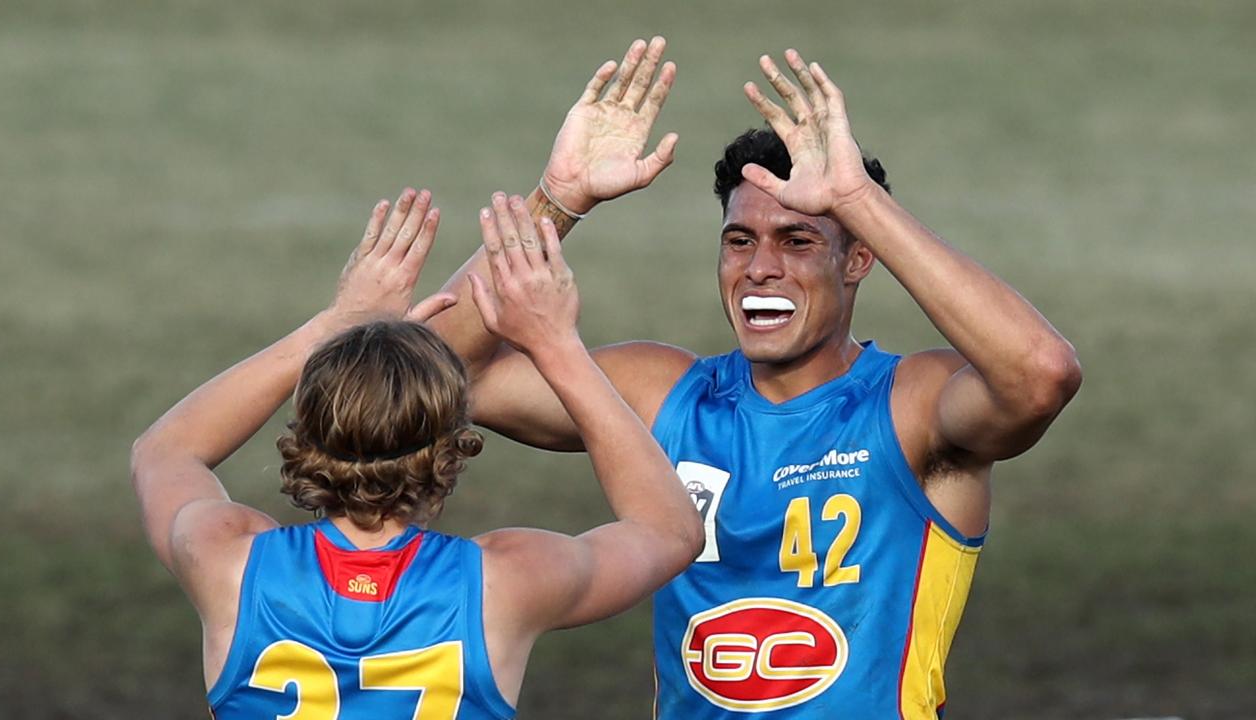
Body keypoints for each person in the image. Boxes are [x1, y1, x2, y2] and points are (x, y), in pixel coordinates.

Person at [428, 39, 1082, 717]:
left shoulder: (909, 408)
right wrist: (558, 199)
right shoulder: (667, 396)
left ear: (859, 260)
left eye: (797, 242)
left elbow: (1041, 372)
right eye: (740, 241)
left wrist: (857, 197)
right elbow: (436, 379)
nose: (760, 268)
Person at [130, 189, 704, 718]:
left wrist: (335, 326)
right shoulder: (507, 581)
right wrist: (558, 346)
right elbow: (670, 530)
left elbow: (165, 450)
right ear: (450, 455)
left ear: (307, 433)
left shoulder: (226, 558)